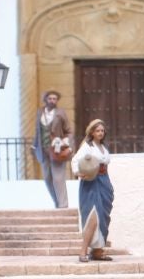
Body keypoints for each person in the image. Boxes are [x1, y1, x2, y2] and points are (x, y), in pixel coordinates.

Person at [72, 118, 115, 263]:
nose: (100, 133)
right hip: (91, 182)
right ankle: (83, 251)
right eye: (97, 130)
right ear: (92, 132)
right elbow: (75, 160)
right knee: (93, 218)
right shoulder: (87, 146)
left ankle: (97, 251)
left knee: (103, 217)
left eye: (102, 130)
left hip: (104, 182)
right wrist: (78, 172)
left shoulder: (103, 147)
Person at [32, 88, 72, 208]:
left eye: (54, 99)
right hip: (43, 151)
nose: (52, 101)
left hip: (56, 151)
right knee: (48, 179)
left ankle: (63, 205)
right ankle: (57, 202)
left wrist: (64, 141)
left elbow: (69, 131)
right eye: (50, 98)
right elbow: (38, 131)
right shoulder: (40, 113)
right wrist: (34, 146)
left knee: (58, 178)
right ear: (46, 100)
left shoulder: (60, 114)